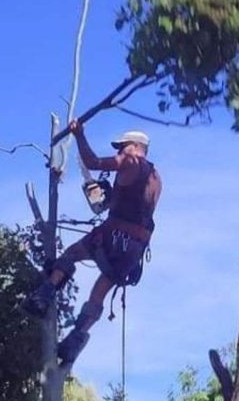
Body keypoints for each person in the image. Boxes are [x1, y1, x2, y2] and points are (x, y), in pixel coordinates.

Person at [23, 121, 162, 364]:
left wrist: (79, 134)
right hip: (132, 251)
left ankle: (43, 297)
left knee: (70, 255)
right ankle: (75, 341)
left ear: (135, 147)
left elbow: (93, 162)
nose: (119, 152)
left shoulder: (130, 162)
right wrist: (100, 192)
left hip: (112, 237)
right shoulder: (155, 177)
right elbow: (118, 206)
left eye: (122, 147)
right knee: (98, 293)